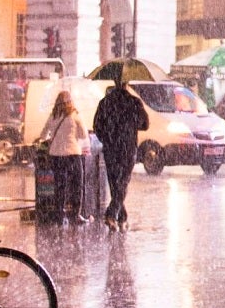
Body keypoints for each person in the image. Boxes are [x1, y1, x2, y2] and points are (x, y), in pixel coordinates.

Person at [92, 75, 148, 228]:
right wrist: (130, 125)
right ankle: (111, 215)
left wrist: (107, 138)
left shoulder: (105, 102)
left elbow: (97, 126)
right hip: (127, 148)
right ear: (126, 84)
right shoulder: (134, 102)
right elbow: (145, 125)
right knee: (123, 182)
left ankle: (122, 216)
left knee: (115, 183)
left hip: (111, 148)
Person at [44, 90, 87, 222]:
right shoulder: (75, 116)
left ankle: (59, 214)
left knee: (59, 185)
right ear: (70, 101)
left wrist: (53, 138)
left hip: (56, 155)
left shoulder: (53, 116)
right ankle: (75, 214)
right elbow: (83, 135)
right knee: (77, 185)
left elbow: (43, 134)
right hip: (72, 154)